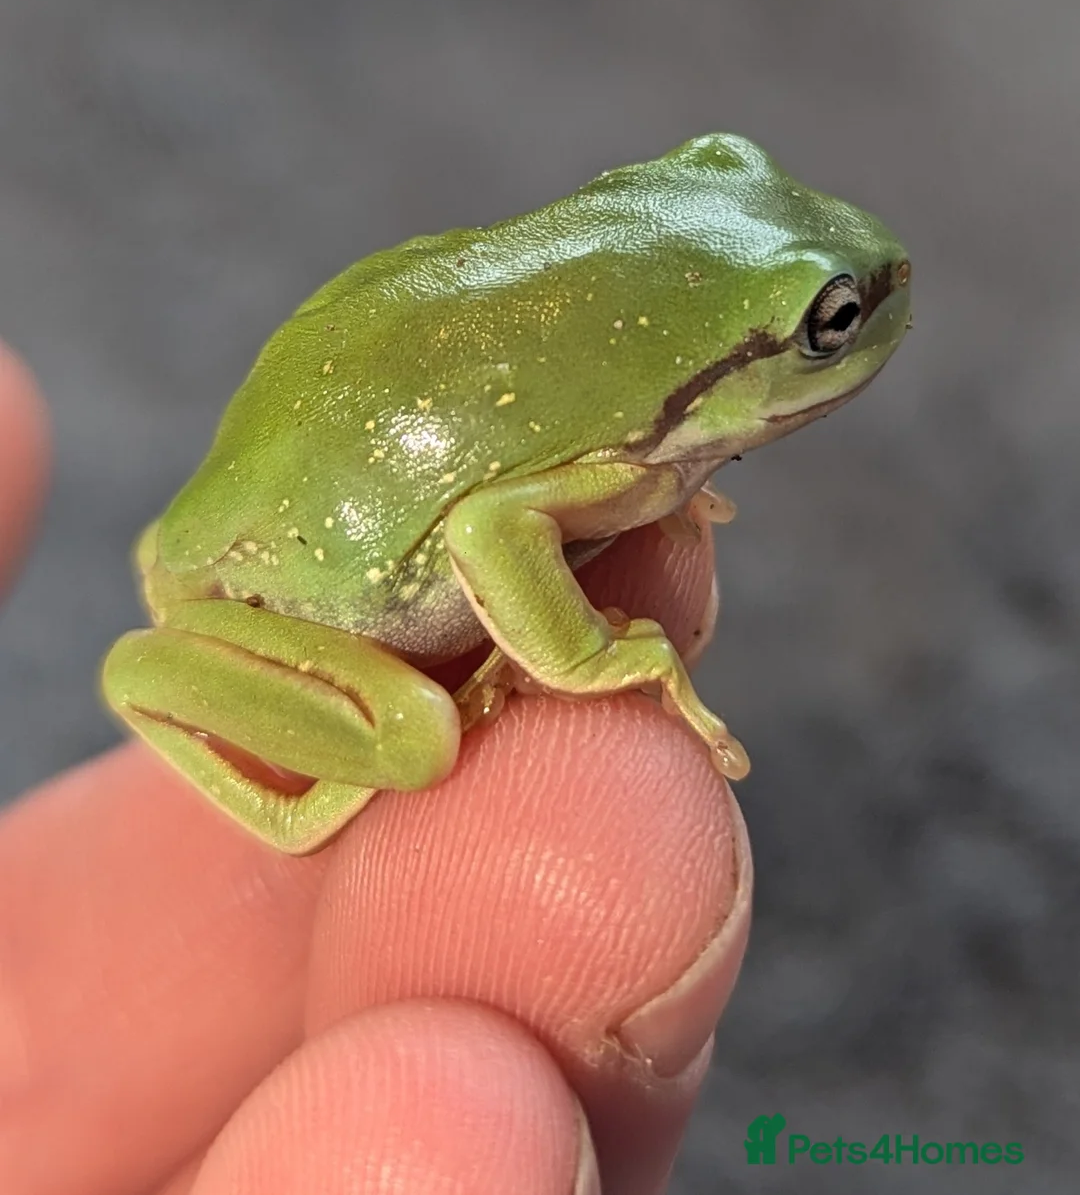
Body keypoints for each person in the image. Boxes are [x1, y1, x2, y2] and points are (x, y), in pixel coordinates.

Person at [0, 340, 750, 1195]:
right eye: (831, 326)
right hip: (285, 587)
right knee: (418, 732)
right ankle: (301, 805)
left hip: (222, 522)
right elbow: (486, 525)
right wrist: (583, 655)